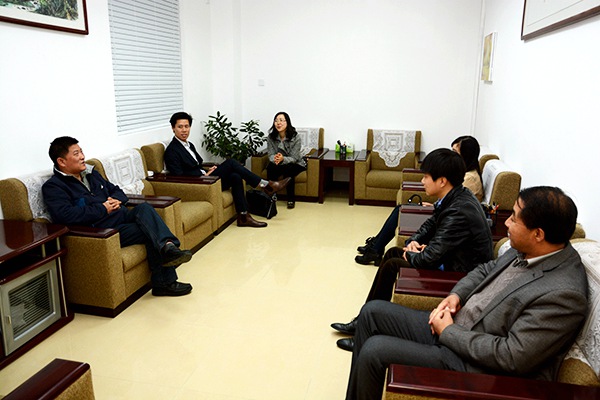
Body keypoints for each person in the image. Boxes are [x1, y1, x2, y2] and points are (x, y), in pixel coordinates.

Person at [345, 186, 588, 400]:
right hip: (456, 326)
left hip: (474, 364)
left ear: (538, 234)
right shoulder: (529, 249)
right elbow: (485, 269)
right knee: (371, 312)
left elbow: (511, 356)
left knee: (375, 351)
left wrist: (449, 332)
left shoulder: (564, 294)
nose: (506, 222)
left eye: (514, 218)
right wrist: (456, 296)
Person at [332, 148, 493, 351]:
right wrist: (413, 241)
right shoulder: (456, 196)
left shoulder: (458, 210)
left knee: (393, 263)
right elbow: (431, 225)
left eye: (426, 177)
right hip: (451, 260)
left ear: (442, 181)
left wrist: (414, 253)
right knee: (393, 253)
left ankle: (365, 329)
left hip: (460, 276)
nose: (422, 182)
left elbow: (429, 258)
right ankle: (363, 321)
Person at [42, 136, 193, 297]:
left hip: (121, 216)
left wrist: (117, 199)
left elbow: (117, 190)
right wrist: (102, 208)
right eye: (76, 153)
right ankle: (165, 279)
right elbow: (65, 215)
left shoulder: (92, 174)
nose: (82, 157)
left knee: (144, 208)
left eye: (81, 151)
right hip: (104, 230)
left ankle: (169, 247)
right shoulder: (54, 187)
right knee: (150, 231)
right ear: (61, 161)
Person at [356, 135, 484, 265]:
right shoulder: (458, 192)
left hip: (454, 267)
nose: (422, 181)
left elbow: (432, 254)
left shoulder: (466, 185)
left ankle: (376, 248)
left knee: (393, 260)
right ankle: (376, 246)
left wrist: (409, 253)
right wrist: (412, 241)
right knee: (393, 247)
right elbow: (434, 222)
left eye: (455, 152)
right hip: (446, 253)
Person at [164, 112, 291, 228]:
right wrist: (202, 175)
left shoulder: (189, 145)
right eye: (180, 127)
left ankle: (243, 216)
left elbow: (196, 165)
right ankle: (266, 185)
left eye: (186, 126)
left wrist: (206, 170)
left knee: (235, 176)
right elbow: (178, 175)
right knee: (231, 163)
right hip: (198, 184)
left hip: (204, 178)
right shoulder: (172, 150)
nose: (184, 130)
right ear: (173, 128)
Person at [265, 112, 307, 209]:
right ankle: (271, 195)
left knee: (289, 170)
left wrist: (283, 159)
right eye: (276, 121)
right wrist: (276, 159)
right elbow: (270, 154)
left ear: (287, 122)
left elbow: (294, 157)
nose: (278, 123)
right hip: (279, 162)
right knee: (270, 167)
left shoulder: (295, 137)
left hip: (296, 163)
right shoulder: (271, 137)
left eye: (281, 120)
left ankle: (291, 199)